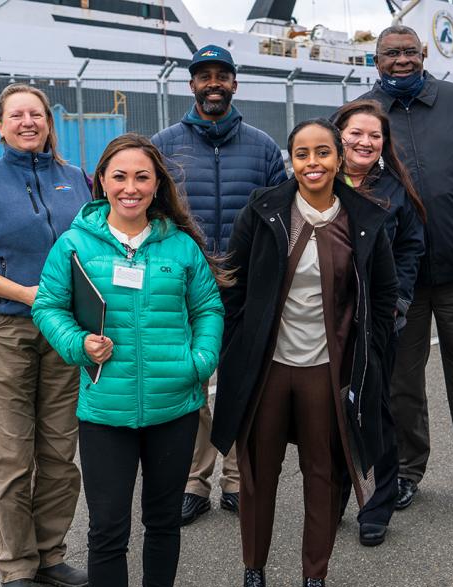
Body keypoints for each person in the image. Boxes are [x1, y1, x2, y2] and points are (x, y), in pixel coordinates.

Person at [210, 119, 397, 587]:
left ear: (338, 158)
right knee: (257, 475)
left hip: (325, 371)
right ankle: (254, 571)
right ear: (290, 160)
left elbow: (383, 296)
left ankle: (315, 577)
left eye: (321, 153)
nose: (312, 163)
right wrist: (237, 349)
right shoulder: (264, 208)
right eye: (301, 154)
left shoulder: (366, 218)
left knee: (324, 476)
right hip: (267, 370)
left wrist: (370, 362)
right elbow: (234, 286)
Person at [32, 133, 226, 587]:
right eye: (119, 176)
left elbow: (209, 309)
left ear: (157, 184)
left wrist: (199, 362)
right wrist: (78, 343)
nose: (130, 187)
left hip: (174, 408)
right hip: (104, 414)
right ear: (102, 181)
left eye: (142, 177)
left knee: (162, 523)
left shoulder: (179, 246)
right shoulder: (74, 243)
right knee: (107, 530)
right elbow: (48, 307)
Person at [357, 24, 453, 513]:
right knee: (400, 379)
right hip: (394, 277)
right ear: (375, 59)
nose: (400, 60)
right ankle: (404, 470)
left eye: (408, 52)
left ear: (423, 54)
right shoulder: (362, 115)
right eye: (389, 53)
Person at [0, 83, 90, 587]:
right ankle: (15, 568)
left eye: (37, 114)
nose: (28, 122)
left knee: (58, 451)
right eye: (17, 115)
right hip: (8, 328)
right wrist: (26, 294)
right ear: (1, 125)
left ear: (49, 122)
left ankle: (51, 555)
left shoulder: (77, 179)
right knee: (13, 454)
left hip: (66, 333)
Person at [151, 44, 287, 526]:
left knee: (243, 382)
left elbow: (282, 218)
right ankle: (194, 480)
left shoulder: (264, 148)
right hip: (183, 287)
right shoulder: (163, 145)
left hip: (246, 287)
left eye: (221, 76)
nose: (213, 84)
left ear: (234, 84)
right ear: (191, 85)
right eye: (203, 76)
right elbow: (148, 211)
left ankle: (237, 478)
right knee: (191, 382)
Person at [331, 99, 426, 546]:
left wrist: (399, 300)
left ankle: (377, 504)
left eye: (374, 135)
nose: (365, 142)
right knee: (328, 415)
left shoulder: (394, 190)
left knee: (377, 413)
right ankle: (332, 499)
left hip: (377, 321)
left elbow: (411, 247)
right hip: (324, 322)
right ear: (339, 134)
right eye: (356, 133)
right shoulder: (317, 181)